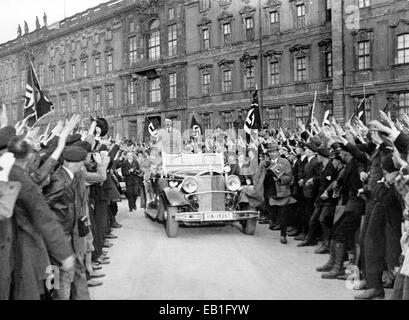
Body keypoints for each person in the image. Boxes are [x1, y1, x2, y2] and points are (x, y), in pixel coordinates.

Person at [7, 136, 75, 300]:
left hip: (45, 238)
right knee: (50, 277)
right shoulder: (27, 181)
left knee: (49, 277)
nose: (48, 176)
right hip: (43, 238)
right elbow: (43, 212)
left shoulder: (24, 177)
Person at [43, 146, 90, 300]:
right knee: (61, 282)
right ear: (76, 164)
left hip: (70, 235)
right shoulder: (59, 180)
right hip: (60, 239)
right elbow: (43, 207)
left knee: (77, 275)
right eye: (82, 162)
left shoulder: (68, 177)